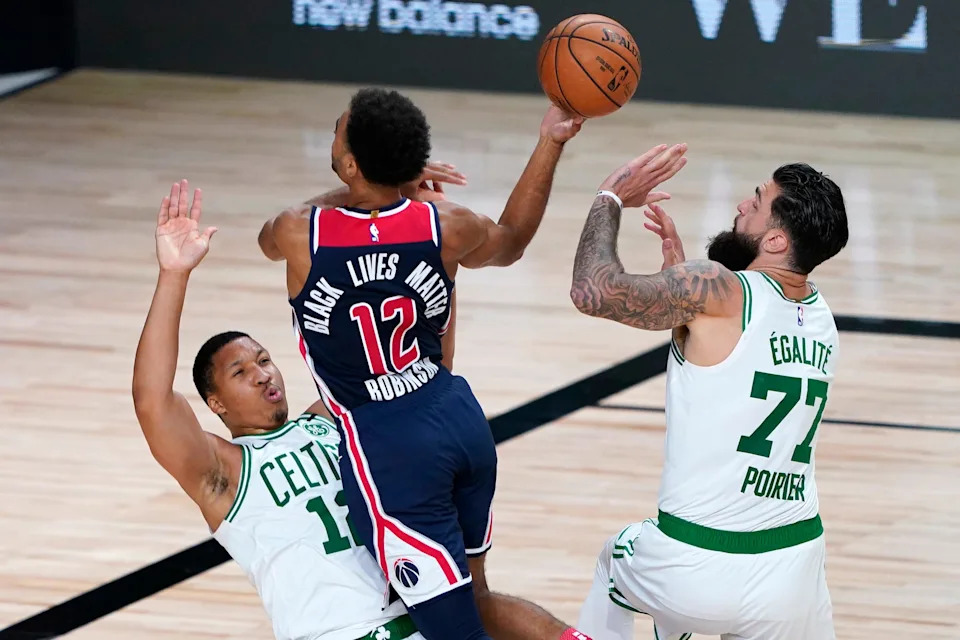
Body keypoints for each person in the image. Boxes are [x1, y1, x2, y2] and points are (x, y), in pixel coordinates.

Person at [258, 88, 587, 640]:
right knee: (475, 597)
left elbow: (270, 236)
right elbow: (514, 241)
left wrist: (379, 185)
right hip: (457, 417)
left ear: (351, 164)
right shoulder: (445, 224)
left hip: (388, 450)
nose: (334, 134)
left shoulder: (300, 233)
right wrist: (549, 141)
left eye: (339, 131)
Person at [569, 145, 849, 640]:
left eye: (757, 201)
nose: (743, 204)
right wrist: (678, 282)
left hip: (694, 565)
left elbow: (594, 290)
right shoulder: (822, 319)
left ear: (777, 239)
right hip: (795, 573)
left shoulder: (716, 289)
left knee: (615, 561)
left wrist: (609, 195)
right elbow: (730, 350)